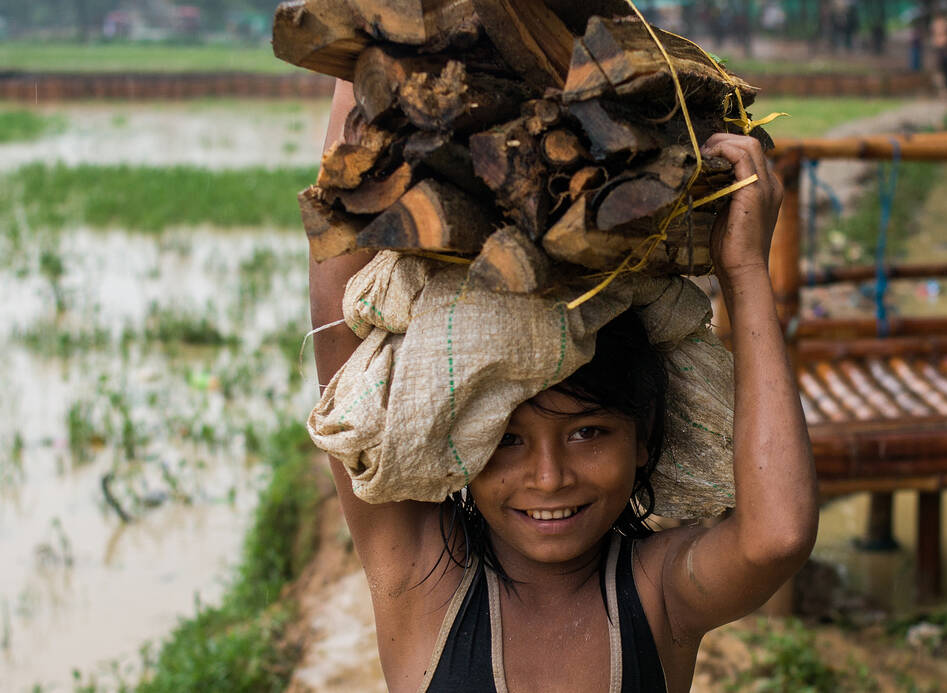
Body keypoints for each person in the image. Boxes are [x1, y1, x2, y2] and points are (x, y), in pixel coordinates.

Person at [307, 82, 816, 692]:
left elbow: (777, 537)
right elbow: (339, 327)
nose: (549, 478)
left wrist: (744, 269)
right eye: (507, 440)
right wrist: (356, 76)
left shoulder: (660, 596)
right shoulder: (421, 577)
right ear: (458, 445)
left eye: (587, 432)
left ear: (645, 437)